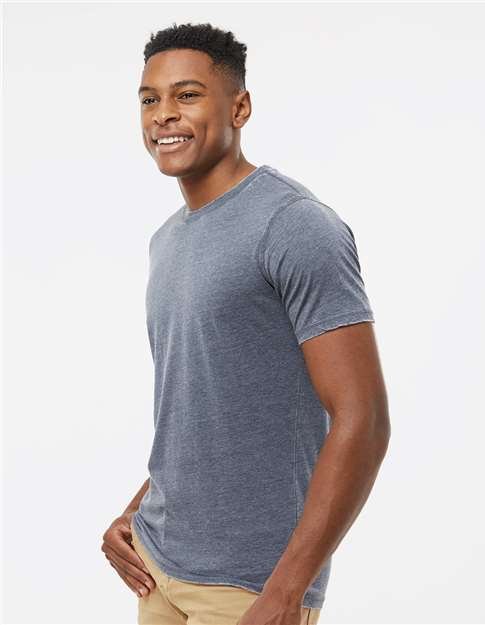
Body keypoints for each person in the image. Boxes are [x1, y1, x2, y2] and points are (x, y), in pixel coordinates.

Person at [101, 21, 391, 625]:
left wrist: (287, 591)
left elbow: (363, 419)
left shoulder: (293, 225)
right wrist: (136, 511)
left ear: (239, 107)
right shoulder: (166, 241)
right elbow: (205, 409)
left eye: (186, 95)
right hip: (159, 570)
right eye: (149, 99)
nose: (163, 114)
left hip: (249, 588)